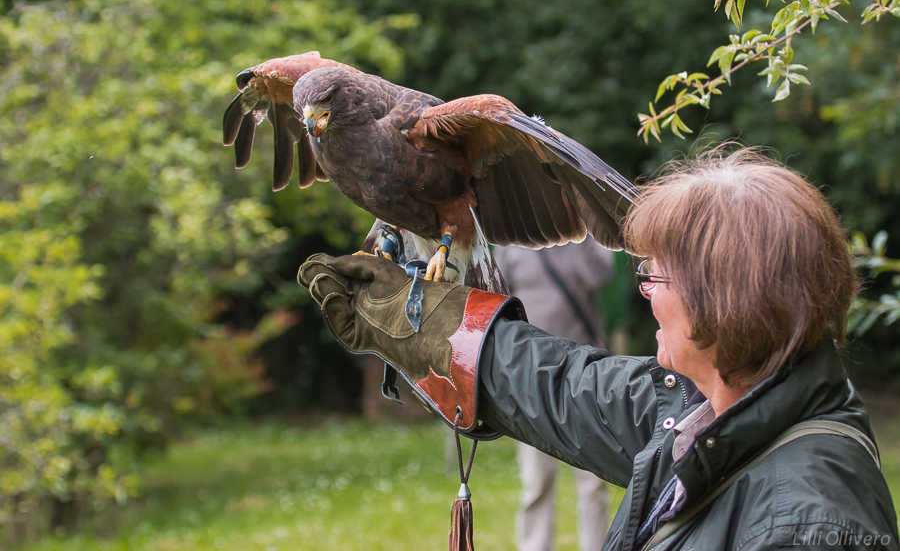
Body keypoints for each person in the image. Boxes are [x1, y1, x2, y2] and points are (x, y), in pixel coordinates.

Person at [299, 147, 899, 550]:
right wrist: (423, 323)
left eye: (656, 277)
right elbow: (560, 388)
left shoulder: (806, 526)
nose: (642, 293)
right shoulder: (714, 408)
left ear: (731, 299)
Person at [493, 241, 614, 551]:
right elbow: (496, 300)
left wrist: (580, 232)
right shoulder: (511, 242)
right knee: (536, 483)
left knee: (593, 483)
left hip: (585, 376)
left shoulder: (585, 240)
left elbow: (600, 277)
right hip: (530, 379)